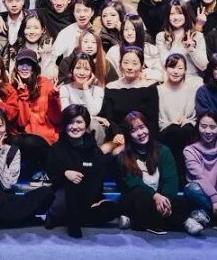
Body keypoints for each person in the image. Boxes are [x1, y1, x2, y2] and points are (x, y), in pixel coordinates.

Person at [45, 104, 127, 239]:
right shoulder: (57, 148)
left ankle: (69, 219)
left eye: (79, 122)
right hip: (64, 197)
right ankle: (69, 222)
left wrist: (96, 199)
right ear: (64, 125)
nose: (75, 126)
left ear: (86, 124)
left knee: (110, 209)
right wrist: (65, 173)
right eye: (70, 122)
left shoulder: (94, 150)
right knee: (74, 181)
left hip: (86, 199)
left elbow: (97, 177)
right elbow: (51, 173)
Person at [0, 106, 55, 227]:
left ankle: (2, 219)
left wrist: (0, 153)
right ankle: (18, 219)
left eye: (0, 125)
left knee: (47, 193)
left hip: (6, 198)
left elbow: (6, 185)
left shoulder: (13, 151)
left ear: (5, 128)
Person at [115, 111, 190, 235]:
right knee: (140, 196)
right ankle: (178, 222)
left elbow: (171, 180)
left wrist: (165, 200)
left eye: (142, 127)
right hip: (137, 199)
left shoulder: (163, 150)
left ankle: (143, 221)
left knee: (182, 202)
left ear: (148, 127)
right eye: (134, 130)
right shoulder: (124, 156)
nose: (140, 133)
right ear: (128, 135)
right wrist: (155, 196)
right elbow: (134, 184)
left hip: (159, 199)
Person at [12, 50, 62, 171]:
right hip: (28, 136)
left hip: (48, 136)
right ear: (16, 67)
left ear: (34, 68)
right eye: (21, 63)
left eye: (28, 64)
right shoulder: (13, 87)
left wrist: (54, 97)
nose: (24, 67)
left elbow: (56, 118)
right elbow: (22, 122)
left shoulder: (45, 83)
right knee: (18, 141)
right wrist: (23, 95)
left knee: (31, 142)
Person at [157, 53, 201, 183]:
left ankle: (186, 176)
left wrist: (187, 121)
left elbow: (195, 117)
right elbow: (158, 119)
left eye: (180, 68)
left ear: (185, 70)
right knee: (174, 131)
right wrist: (172, 124)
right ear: (165, 68)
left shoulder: (193, 90)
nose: (175, 71)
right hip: (165, 130)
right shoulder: (157, 90)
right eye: (172, 67)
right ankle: (175, 177)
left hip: (187, 130)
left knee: (185, 130)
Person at [102, 48, 160, 139]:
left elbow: (153, 120)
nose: (129, 67)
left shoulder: (150, 87)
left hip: (143, 136)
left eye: (134, 63)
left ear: (142, 66)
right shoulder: (111, 88)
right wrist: (118, 134)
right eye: (126, 63)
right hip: (119, 136)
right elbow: (109, 119)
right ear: (120, 64)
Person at [58, 53, 112, 144]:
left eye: (86, 69)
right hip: (71, 128)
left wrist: (86, 87)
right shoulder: (65, 88)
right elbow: (67, 113)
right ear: (71, 70)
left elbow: (93, 111)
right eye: (78, 68)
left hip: (92, 131)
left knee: (93, 125)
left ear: (92, 73)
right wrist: (95, 118)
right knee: (92, 122)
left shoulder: (98, 90)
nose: (81, 73)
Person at [155, 0, 208, 77]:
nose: (176, 17)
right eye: (172, 14)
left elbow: (204, 66)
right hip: (170, 78)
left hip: (191, 78)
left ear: (186, 15)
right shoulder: (161, 36)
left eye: (180, 13)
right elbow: (163, 62)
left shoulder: (197, 35)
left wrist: (191, 49)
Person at [106, 13, 161, 82]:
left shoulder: (151, 49)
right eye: (126, 29)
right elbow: (109, 76)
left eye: (133, 29)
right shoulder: (114, 51)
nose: (129, 33)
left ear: (140, 31)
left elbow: (161, 73)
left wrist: (145, 74)